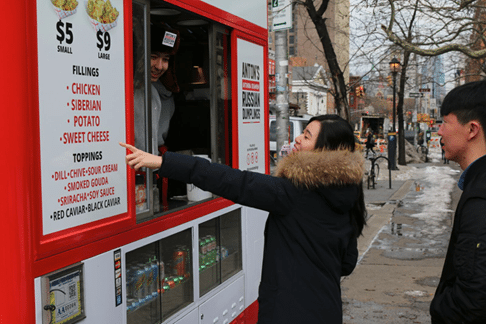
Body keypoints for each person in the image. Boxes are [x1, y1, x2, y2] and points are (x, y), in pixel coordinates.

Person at [120, 114, 367, 323]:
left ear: (324, 150)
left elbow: (233, 181)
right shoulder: (349, 194)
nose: (298, 139)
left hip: (289, 312)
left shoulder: (293, 192)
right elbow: (347, 263)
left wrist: (164, 162)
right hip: (327, 309)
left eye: (307, 136)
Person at [430, 80, 486, 323]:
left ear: (472, 129)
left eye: (445, 122)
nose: (439, 131)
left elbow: (474, 298)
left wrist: (441, 309)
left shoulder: (480, 196)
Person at [134, 23, 180, 153]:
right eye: (153, 57)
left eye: (165, 59)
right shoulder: (124, 91)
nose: (160, 66)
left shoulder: (153, 93)